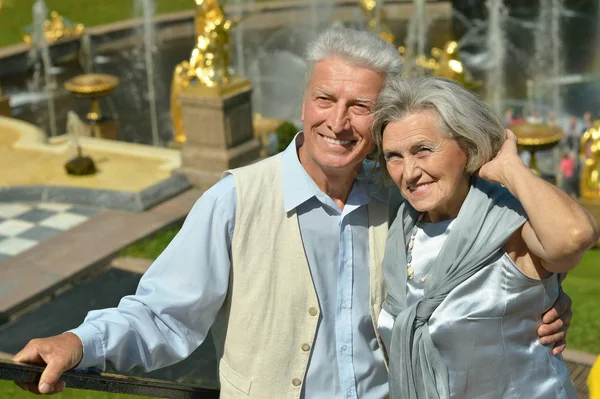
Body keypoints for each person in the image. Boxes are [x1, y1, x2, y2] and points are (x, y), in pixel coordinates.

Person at [14, 28, 573, 398]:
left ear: (378, 124)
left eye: (361, 107)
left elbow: (483, 265)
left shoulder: (399, 199)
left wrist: (544, 302)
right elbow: (163, 313)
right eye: (325, 99)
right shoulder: (237, 200)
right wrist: (81, 343)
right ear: (303, 104)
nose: (339, 121)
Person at [372, 76, 599, 398]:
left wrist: (509, 167)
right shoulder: (400, 228)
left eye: (423, 150)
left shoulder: (510, 223)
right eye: (394, 156)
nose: (408, 172)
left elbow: (575, 237)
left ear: (466, 146)